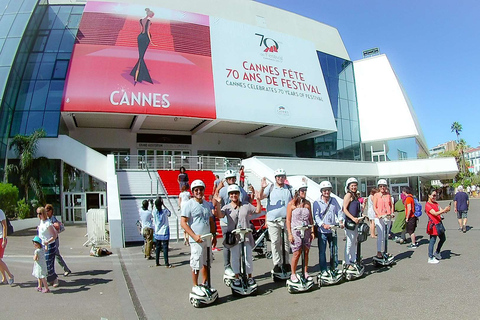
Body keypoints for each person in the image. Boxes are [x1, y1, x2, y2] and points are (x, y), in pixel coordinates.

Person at [216, 184, 262, 285]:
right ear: (229, 195)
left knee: (248, 257)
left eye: (235, 193)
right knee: (235, 258)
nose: (234, 195)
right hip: (234, 237)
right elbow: (219, 215)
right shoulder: (226, 207)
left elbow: (257, 210)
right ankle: (237, 277)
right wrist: (218, 204)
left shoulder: (246, 205)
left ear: (239, 194)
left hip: (246, 236)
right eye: (231, 194)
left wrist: (258, 200)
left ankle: (249, 277)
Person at [180, 180, 217, 295]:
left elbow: (211, 221)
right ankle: (195, 285)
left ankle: (205, 283)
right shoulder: (189, 204)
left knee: (206, 262)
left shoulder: (206, 204)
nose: (199, 192)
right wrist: (194, 236)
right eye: (196, 190)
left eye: (201, 189)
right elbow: (183, 222)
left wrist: (214, 235)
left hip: (207, 238)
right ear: (192, 192)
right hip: (197, 240)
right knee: (196, 263)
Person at [259, 168, 293, 275]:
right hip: (273, 220)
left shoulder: (289, 188)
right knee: (275, 242)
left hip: (286, 220)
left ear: (285, 178)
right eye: (278, 176)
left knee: (286, 242)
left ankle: (286, 262)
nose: (280, 178)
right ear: (275, 178)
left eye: (282, 176)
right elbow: (260, 197)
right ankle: (277, 264)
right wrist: (262, 187)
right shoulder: (271, 187)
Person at [214, 170, 249, 272]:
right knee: (228, 244)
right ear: (226, 180)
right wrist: (217, 189)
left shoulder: (240, 189)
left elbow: (246, 201)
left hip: (238, 221)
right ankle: (227, 266)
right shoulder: (223, 190)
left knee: (238, 244)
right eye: (229, 178)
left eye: (233, 178)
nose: (232, 180)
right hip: (226, 220)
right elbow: (215, 202)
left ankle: (238, 266)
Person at [312, 180, 343, 278]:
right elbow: (316, 216)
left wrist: (341, 220)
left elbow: (339, 211)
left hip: (333, 230)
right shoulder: (317, 202)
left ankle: (334, 268)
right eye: (325, 190)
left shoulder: (333, 200)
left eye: (328, 190)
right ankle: (324, 270)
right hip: (322, 231)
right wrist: (322, 224)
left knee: (334, 249)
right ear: (321, 191)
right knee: (322, 251)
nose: (327, 192)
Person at [45, 204, 72, 276]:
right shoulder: (48, 218)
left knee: (56, 254)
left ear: (50, 211)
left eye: (47, 211)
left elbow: (56, 225)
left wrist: (50, 225)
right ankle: (51, 271)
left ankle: (65, 269)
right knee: (52, 255)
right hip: (50, 239)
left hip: (54, 239)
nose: (46, 213)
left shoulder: (52, 218)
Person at [425, 188, 451, 264]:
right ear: (429, 195)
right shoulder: (427, 205)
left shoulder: (436, 203)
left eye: (435, 196)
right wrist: (444, 210)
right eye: (433, 195)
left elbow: (441, 211)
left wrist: (446, 210)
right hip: (433, 225)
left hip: (439, 223)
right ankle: (430, 257)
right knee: (432, 241)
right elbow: (435, 213)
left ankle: (437, 252)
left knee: (443, 238)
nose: (434, 197)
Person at [130, 8, 155, 84]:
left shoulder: (140, 20)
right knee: (141, 57)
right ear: (150, 15)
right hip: (145, 38)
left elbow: (141, 30)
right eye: (152, 15)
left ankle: (137, 75)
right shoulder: (148, 21)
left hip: (140, 37)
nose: (152, 16)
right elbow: (147, 32)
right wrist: (151, 41)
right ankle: (138, 77)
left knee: (141, 57)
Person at [342, 178, 362, 272]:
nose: (354, 187)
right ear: (348, 186)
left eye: (355, 185)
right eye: (352, 185)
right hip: (350, 222)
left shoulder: (355, 196)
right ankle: (347, 262)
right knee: (349, 242)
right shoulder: (348, 195)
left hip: (355, 222)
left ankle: (353, 260)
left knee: (354, 241)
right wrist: (353, 218)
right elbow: (344, 209)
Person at [37, 207, 59, 287]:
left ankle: (54, 279)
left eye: (40, 213)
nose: (39, 215)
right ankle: (50, 279)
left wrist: (47, 241)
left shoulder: (48, 223)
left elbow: (54, 235)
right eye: (38, 213)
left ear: (44, 214)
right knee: (44, 263)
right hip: (42, 245)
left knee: (48, 263)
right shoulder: (42, 222)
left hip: (49, 245)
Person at [373, 179, 394, 260]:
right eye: (381, 186)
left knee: (386, 235)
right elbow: (374, 206)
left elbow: (391, 205)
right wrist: (379, 215)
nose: (382, 188)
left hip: (387, 217)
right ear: (378, 187)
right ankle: (379, 251)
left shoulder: (388, 195)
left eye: (384, 186)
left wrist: (392, 213)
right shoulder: (376, 195)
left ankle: (385, 250)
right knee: (380, 235)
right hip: (379, 217)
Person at [153, 197, 173, 268]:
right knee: (165, 247)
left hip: (157, 232)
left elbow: (153, 209)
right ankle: (166, 263)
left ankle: (157, 262)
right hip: (164, 231)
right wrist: (163, 204)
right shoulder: (164, 211)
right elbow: (170, 213)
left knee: (157, 247)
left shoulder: (154, 212)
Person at [0, 208, 14, 285]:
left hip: (1, 238)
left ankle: (10, 275)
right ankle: (4, 279)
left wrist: (4, 239)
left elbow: (4, 226)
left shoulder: (0, 212)